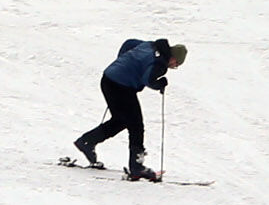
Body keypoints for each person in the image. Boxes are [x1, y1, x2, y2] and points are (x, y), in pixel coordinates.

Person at [73, 37, 186, 181]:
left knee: (121, 120)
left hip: (108, 79)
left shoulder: (150, 45)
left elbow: (128, 43)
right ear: (173, 57)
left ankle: (86, 142)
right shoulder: (160, 63)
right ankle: (136, 168)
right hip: (121, 87)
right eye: (176, 64)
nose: (174, 66)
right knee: (136, 125)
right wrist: (160, 84)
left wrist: (122, 63)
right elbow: (148, 80)